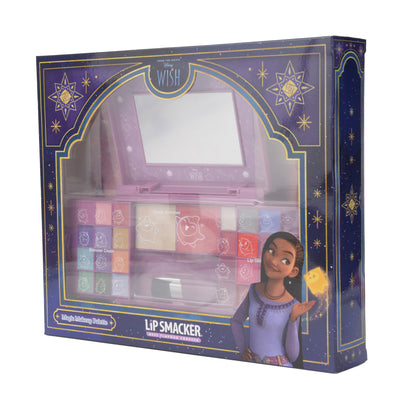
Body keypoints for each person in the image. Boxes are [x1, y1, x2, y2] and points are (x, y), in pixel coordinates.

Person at [230, 231, 315, 367]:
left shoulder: (293, 305)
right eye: (271, 251)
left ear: (293, 271)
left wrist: (293, 319)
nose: (274, 261)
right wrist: (242, 350)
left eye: (285, 260)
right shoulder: (254, 290)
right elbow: (236, 321)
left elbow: (293, 355)